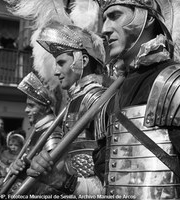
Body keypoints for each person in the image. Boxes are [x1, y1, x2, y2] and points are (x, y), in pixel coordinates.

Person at [90, 0, 180, 198]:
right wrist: (61, 179)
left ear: (146, 18)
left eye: (115, 16)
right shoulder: (112, 97)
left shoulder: (174, 84)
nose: (104, 29)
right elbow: (105, 181)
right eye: (104, 19)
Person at [19, 20, 108, 195]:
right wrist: (32, 171)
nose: (56, 72)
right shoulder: (74, 102)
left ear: (82, 61)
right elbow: (65, 164)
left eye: (61, 63)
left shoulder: (97, 99)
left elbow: (108, 178)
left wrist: (61, 180)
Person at [2, 72, 63, 194]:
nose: (26, 110)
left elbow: (52, 180)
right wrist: (17, 167)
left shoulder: (52, 134)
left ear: (45, 108)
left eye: (31, 106)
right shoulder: (38, 130)